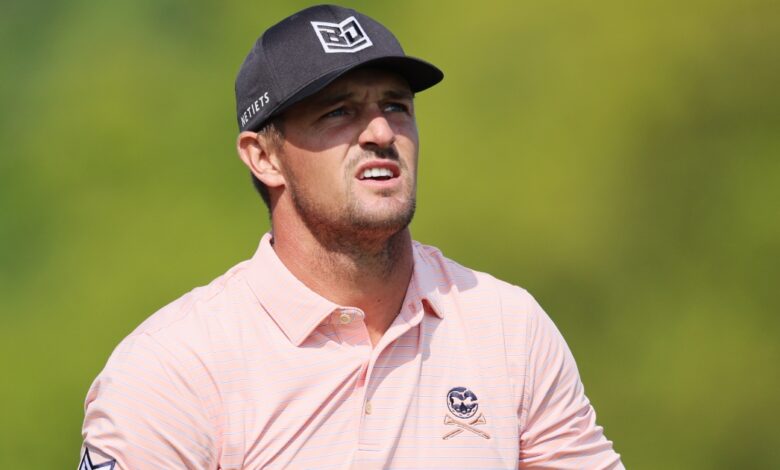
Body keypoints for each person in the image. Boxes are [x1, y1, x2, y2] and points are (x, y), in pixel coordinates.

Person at [79, 5, 623, 469]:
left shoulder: (506, 327)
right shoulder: (172, 370)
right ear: (264, 157)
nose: (381, 132)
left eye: (396, 106)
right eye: (339, 112)